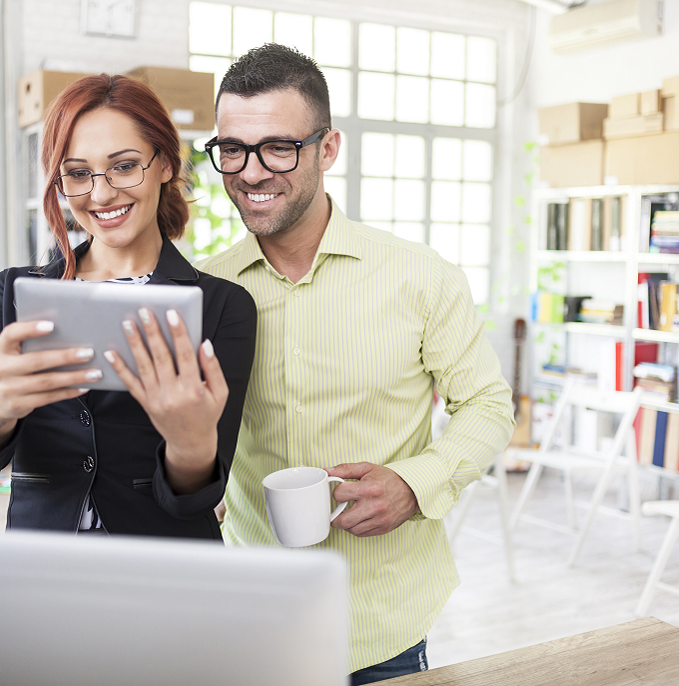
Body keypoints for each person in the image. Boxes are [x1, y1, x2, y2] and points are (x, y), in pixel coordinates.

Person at [196, 44, 514, 684]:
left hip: (383, 619)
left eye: (279, 147)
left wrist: (416, 482)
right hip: (256, 613)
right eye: (232, 149)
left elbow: (487, 405)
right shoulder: (205, 290)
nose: (251, 172)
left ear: (328, 148)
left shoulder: (421, 278)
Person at [0, 74, 257, 539]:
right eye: (77, 173)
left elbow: (195, 499)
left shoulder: (220, 306)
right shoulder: (12, 293)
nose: (102, 193)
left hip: (163, 573)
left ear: (167, 163)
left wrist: (189, 444)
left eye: (125, 166)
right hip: (43, 572)